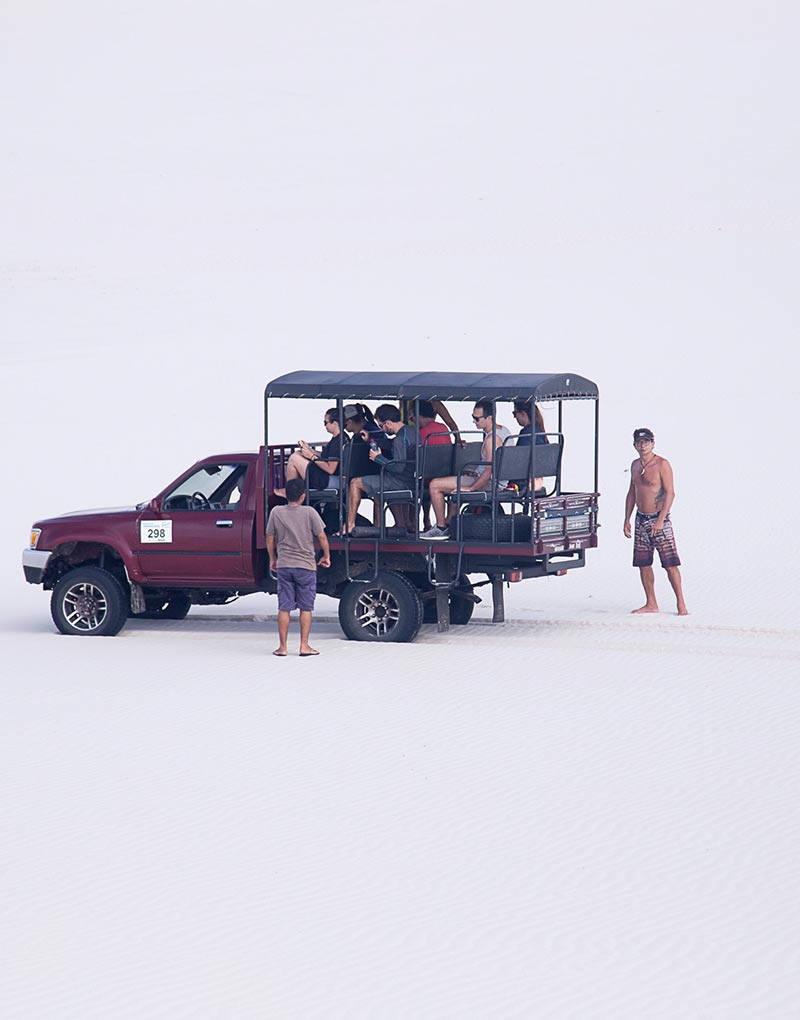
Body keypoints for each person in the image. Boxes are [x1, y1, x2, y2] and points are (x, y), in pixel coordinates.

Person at [421, 399, 510, 539]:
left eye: (477, 418)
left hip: (489, 484)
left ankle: (441, 528)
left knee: (435, 485)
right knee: (457, 478)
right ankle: (450, 523)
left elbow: (488, 472)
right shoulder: (505, 431)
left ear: (489, 418)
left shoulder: (491, 440)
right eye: (472, 417)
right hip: (497, 481)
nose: (474, 422)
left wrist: (471, 488)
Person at [623, 427, 688, 616]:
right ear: (634, 445)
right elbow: (631, 493)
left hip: (659, 519)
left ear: (653, 443)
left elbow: (670, 493)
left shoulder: (662, 464)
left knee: (670, 563)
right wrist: (626, 518)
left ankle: (681, 604)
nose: (642, 446)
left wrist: (661, 519)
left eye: (646, 442)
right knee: (643, 563)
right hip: (640, 519)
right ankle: (651, 603)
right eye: (639, 442)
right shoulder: (635, 465)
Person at [266, 477, 331, 656]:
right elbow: (322, 536)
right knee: (306, 608)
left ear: (286, 494)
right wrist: (326, 556)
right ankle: (304, 646)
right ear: (303, 496)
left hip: (285, 565)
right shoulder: (309, 512)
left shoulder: (276, 512)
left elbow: (270, 537)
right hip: (306, 566)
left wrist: (273, 559)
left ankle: (283, 647)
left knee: (284, 607)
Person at [342, 404, 419, 535]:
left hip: (400, 482)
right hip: (412, 479)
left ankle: (349, 524)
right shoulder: (412, 431)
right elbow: (391, 444)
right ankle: (391, 525)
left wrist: (378, 458)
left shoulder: (399, 439)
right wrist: (370, 440)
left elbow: (398, 467)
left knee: (355, 482)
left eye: (381, 426)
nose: (382, 430)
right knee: (376, 482)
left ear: (388, 423)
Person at [274, 408, 342, 498]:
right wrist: (310, 450)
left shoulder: (337, 442)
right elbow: (327, 456)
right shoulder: (339, 438)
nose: (325, 426)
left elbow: (331, 469)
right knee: (298, 454)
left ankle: (291, 493)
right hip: (329, 477)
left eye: (326, 423)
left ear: (335, 423)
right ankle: (293, 491)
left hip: (328, 480)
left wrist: (312, 456)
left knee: (294, 458)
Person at [415, 400, 452, 529]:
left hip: (427, 478)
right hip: (444, 473)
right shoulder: (443, 428)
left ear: (419, 416)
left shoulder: (422, 433)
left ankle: (411, 523)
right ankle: (429, 521)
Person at [511, 400, 548, 493]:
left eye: (515, 413)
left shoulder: (526, 434)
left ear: (523, 414)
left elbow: (519, 460)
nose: (514, 418)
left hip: (523, 481)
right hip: (537, 480)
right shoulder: (540, 432)